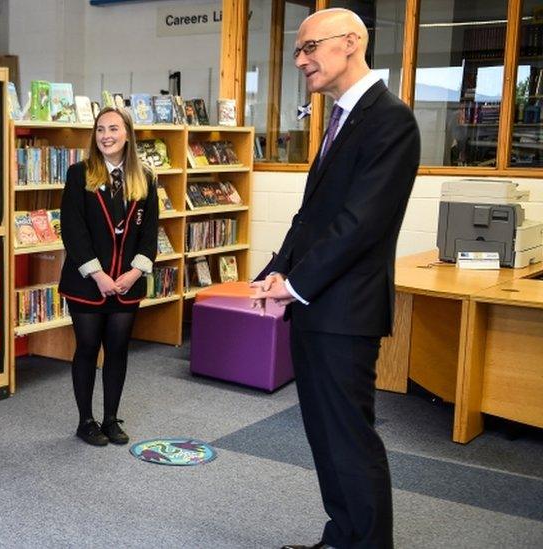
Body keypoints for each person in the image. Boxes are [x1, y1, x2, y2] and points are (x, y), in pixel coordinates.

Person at [250, 8, 420, 549]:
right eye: (298, 51)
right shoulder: (342, 118)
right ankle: (341, 537)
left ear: (350, 43)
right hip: (317, 305)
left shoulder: (389, 119)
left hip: (345, 311)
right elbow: (314, 214)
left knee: (349, 440)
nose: (300, 60)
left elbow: (359, 225)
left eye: (309, 48)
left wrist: (295, 285)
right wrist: (277, 269)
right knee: (325, 438)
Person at [58, 106, 159, 446]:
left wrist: (134, 273)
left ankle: (111, 419)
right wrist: (98, 274)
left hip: (127, 283)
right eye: (100, 129)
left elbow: (150, 234)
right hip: (87, 282)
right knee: (87, 348)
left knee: (117, 349)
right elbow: (73, 231)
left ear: (127, 133)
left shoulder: (145, 178)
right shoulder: (78, 174)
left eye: (113, 129)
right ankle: (86, 421)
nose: (106, 136)